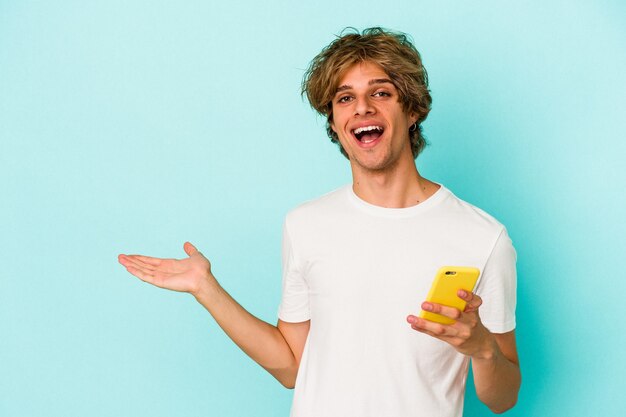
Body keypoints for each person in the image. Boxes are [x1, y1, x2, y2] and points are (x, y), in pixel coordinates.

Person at [118, 27, 520, 417]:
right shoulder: (305, 225)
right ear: (333, 122)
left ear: (413, 110)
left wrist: (483, 349)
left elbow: (502, 398)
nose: (362, 107)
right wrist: (207, 289)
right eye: (345, 98)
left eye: (381, 92)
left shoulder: (482, 237)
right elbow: (292, 366)